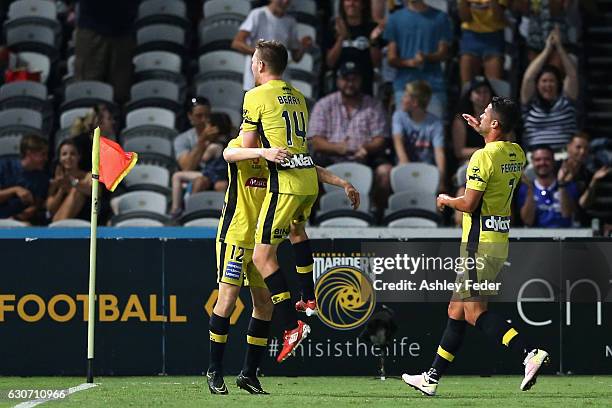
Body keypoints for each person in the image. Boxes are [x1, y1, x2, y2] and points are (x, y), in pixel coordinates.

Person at [403, 97, 549, 395]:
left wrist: (445, 199)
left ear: (495, 124)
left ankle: (529, 352)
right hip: (497, 242)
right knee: (456, 309)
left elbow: (469, 204)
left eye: (484, 114)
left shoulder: (482, 157)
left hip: (477, 244)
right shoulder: (517, 153)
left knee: (473, 312)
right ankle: (431, 378)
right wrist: (484, 130)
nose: (479, 116)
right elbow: (501, 149)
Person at [208, 136, 359, 395]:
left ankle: (249, 374)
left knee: (264, 305)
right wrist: (263, 152)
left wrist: (342, 183)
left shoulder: (278, 150)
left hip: (261, 240)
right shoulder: (243, 145)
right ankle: (214, 370)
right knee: (228, 301)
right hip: (234, 235)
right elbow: (227, 155)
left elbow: (308, 170)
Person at [240, 40, 319, 365]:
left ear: (259, 66)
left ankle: (291, 325)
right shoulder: (299, 97)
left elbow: (247, 145)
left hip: (284, 183)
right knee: (297, 230)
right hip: (308, 179)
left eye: (253, 61)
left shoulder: (255, 96)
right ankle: (309, 297)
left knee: (262, 256)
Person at [309, 60, 390, 210]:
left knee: (385, 171)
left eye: (354, 80)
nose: (350, 84)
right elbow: (316, 141)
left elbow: (381, 139)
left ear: (361, 81)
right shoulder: (324, 104)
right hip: (331, 156)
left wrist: (366, 148)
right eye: (346, 79)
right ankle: (316, 214)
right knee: (309, 170)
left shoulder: (373, 105)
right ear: (338, 80)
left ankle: (379, 215)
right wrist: (337, 148)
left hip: (365, 155)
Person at [383, 0, 452, 113]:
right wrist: (409, 63)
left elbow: (444, 53)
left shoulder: (440, 17)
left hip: (433, 87)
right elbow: (391, 58)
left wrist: (426, 57)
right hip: (404, 87)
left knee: (434, 129)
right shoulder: (394, 18)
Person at [231, 0, 312, 91]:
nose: (285, 2)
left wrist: (303, 47)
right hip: (256, 84)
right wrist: (263, 54)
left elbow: (296, 58)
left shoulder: (290, 22)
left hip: (280, 83)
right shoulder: (258, 14)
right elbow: (237, 43)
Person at [520, 27, 578, 150]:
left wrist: (559, 48)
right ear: (537, 85)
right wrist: (547, 50)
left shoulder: (566, 100)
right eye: (544, 81)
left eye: (552, 81)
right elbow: (528, 78)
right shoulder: (530, 103)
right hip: (536, 158)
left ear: (558, 84)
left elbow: (572, 75)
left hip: (564, 156)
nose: (548, 85)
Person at [73, 0, 138, 104]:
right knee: (89, 89)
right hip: (92, 28)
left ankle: (113, 118)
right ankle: (95, 121)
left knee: (119, 92)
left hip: (123, 31)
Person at [170, 113, 230, 218]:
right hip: (213, 175)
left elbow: (204, 159)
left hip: (211, 175)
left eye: (207, 125)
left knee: (177, 176)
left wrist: (204, 146)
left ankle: (176, 209)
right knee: (180, 176)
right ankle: (181, 209)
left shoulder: (213, 146)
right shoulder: (227, 142)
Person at [392, 80, 446, 193]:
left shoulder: (435, 123)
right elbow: (398, 141)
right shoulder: (398, 117)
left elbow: (439, 153)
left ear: (415, 102)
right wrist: (406, 166)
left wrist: (441, 179)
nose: (402, 98)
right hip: (404, 166)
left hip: (427, 169)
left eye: (406, 96)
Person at [325, 0, 383, 95]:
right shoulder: (334, 27)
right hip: (339, 90)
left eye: (356, 1)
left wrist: (372, 41)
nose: (351, 4)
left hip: (364, 89)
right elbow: (330, 62)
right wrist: (341, 38)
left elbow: (377, 63)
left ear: (363, 4)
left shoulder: (372, 28)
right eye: (348, 0)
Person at [517, 145, 580, 228]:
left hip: (565, 237)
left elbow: (567, 214)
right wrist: (530, 189)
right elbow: (528, 221)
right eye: (538, 160)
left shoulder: (568, 185)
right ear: (532, 162)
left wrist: (561, 184)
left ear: (553, 161)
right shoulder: (525, 188)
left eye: (547, 159)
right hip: (536, 238)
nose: (542, 163)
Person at [0, 135, 49, 224]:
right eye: (42, 154)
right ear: (29, 153)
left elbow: (36, 205)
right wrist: (15, 190)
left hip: (20, 222)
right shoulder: (4, 166)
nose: (46, 159)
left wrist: (21, 216)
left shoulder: (42, 178)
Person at [457, 0, 508, 84]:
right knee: (467, 86)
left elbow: (498, 17)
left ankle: (498, 98)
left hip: (494, 37)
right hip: (470, 36)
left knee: (496, 88)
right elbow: (465, 18)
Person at [46, 140, 92, 222]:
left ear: (79, 157)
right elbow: (50, 208)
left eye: (73, 154)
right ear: (60, 158)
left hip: (84, 219)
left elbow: (91, 190)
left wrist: (73, 182)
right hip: (57, 220)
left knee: (77, 191)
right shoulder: (56, 179)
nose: (68, 157)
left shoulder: (88, 176)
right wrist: (61, 190)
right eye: (64, 154)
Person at [452, 76, 493, 164]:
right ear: (470, 96)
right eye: (478, 92)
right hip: (471, 161)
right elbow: (459, 152)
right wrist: (484, 151)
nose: (482, 96)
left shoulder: (498, 117)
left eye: (485, 91)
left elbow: (509, 141)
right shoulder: (461, 120)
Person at [174, 97, 213, 172]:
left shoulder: (221, 133)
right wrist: (202, 140)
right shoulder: (182, 139)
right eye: (199, 116)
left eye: (207, 115)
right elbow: (187, 168)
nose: (204, 120)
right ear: (190, 116)